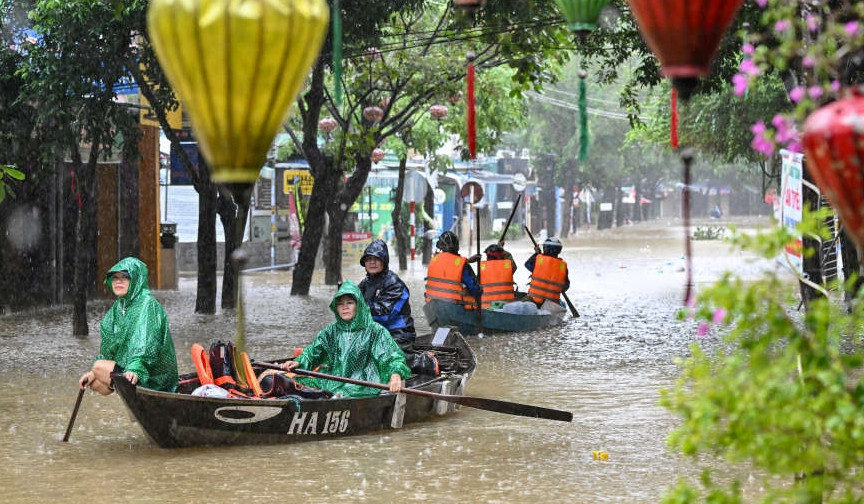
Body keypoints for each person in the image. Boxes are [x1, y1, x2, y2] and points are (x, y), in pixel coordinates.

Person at [281, 281, 411, 398]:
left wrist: (395, 374)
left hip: (363, 382)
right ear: (336, 308)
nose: (345, 307)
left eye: (349, 303)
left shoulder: (375, 330)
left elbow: (391, 356)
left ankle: (327, 397)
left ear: (358, 305)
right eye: (340, 304)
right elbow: (313, 352)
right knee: (292, 381)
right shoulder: (331, 330)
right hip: (332, 378)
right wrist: (298, 362)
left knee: (345, 392)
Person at [78, 257, 179, 395]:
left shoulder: (147, 304)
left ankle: (134, 386)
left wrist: (136, 368)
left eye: (124, 277)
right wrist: (92, 374)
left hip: (154, 376)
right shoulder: (118, 307)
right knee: (95, 383)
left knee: (99, 367)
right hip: (130, 368)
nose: (118, 281)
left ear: (136, 280)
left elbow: (147, 343)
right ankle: (128, 388)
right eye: (115, 277)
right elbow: (110, 348)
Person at [358, 239, 415, 351]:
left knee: (383, 358)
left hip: (398, 334)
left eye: (376, 259)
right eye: (368, 259)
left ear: (384, 261)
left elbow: (384, 315)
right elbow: (351, 301)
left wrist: (358, 308)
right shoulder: (365, 284)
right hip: (375, 333)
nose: (372, 262)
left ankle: (425, 362)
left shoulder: (395, 284)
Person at [424, 230, 481, 310]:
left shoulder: (433, 260)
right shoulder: (462, 264)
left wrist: (467, 261)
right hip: (455, 307)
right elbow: (475, 289)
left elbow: (447, 266)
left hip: (432, 305)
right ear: (457, 246)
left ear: (440, 246)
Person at [524, 237, 570, 309]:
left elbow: (527, 265)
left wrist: (536, 253)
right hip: (552, 303)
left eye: (544, 247)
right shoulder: (563, 266)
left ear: (546, 249)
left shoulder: (539, 259)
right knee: (561, 304)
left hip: (533, 301)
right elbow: (565, 286)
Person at [479, 243, 516, 308]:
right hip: (507, 307)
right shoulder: (507, 266)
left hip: (487, 307)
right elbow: (510, 260)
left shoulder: (482, 268)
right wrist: (501, 249)